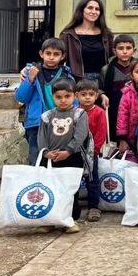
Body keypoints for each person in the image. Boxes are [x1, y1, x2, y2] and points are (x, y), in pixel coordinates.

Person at [37, 77, 90, 233]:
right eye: (58, 97)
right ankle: (49, 220)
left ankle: (70, 220)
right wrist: (46, 152)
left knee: (70, 190)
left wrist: (68, 151)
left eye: (67, 96)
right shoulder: (47, 116)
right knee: (50, 189)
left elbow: (80, 136)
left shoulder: (79, 114)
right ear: (52, 97)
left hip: (72, 157)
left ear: (75, 96)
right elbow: (41, 137)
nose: (63, 100)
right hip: (51, 159)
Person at [15, 38, 75, 165]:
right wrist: (30, 79)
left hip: (59, 123)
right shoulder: (31, 71)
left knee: (57, 158)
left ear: (63, 56)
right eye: (48, 53)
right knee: (36, 157)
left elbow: (72, 100)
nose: (51, 57)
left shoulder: (66, 74)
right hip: (36, 123)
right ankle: (36, 184)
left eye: (56, 54)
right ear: (41, 54)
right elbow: (21, 97)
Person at [59, 0, 114, 81]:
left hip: (103, 81)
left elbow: (113, 59)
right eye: (90, 8)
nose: (94, 12)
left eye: (97, 9)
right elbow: (59, 61)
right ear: (82, 10)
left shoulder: (106, 34)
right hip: (78, 82)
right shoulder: (68, 35)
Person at [75, 79, 107, 222]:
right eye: (83, 94)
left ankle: (93, 207)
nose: (87, 97)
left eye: (91, 94)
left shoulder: (99, 112)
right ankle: (72, 207)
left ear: (96, 96)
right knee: (74, 180)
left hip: (91, 154)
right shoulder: (73, 112)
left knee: (92, 180)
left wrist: (95, 150)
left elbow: (101, 132)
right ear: (76, 95)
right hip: (75, 153)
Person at [99, 34, 136, 141]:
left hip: (133, 110)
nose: (125, 51)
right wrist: (102, 95)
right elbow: (99, 88)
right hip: (114, 110)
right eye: (120, 48)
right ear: (114, 51)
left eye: (128, 48)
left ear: (134, 50)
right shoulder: (106, 70)